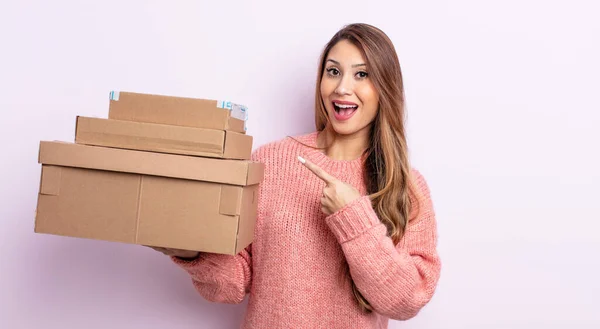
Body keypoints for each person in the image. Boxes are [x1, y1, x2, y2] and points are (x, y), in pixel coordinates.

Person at [149, 22, 441, 328]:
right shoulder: (269, 162)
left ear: (384, 88)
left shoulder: (406, 186)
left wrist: (355, 218)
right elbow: (236, 282)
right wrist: (193, 253)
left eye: (361, 74)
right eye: (333, 71)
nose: (342, 87)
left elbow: (407, 300)